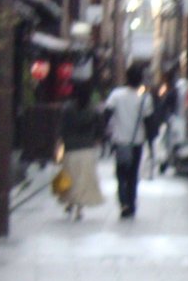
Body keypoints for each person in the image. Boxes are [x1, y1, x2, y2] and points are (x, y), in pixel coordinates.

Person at [104, 67, 153, 219]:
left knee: (120, 174)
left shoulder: (116, 95)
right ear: (140, 80)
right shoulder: (145, 98)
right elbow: (148, 120)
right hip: (136, 141)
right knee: (133, 174)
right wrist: (150, 141)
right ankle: (131, 203)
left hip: (120, 141)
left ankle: (123, 202)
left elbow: (107, 113)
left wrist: (108, 131)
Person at [57, 85, 105, 222]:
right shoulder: (93, 110)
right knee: (83, 179)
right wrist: (97, 140)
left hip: (70, 148)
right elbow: (100, 128)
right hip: (87, 148)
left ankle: (69, 203)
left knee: (69, 177)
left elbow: (62, 128)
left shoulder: (67, 109)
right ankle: (79, 208)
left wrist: (60, 142)